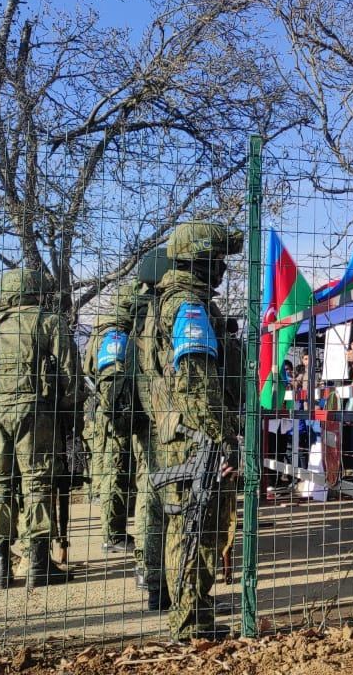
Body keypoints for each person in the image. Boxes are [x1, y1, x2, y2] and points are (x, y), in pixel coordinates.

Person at [141, 222, 243, 641]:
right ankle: (190, 624)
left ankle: (192, 612)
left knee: (189, 523)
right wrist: (220, 439)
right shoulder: (187, 306)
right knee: (196, 525)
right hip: (196, 436)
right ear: (200, 260)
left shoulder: (168, 301)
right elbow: (197, 384)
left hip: (181, 433)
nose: (222, 267)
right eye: (217, 259)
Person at [0, 268, 80, 589]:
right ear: (34, 291)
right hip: (34, 412)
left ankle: (2, 567)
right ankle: (39, 566)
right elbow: (70, 374)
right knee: (38, 483)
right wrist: (65, 410)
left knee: (0, 486)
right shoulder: (48, 321)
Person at [127, 246, 173, 610]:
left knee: (149, 495)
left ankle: (151, 577)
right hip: (170, 418)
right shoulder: (167, 310)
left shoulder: (128, 313)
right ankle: (169, 586)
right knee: (174, 502)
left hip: (144, 416)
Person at [81, 284, 141, 556]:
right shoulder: (116, 332)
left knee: (118, 471)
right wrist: (119, 416)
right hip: (113, 414)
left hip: (114, 412)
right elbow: (111, 379)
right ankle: (113, 535)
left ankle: (115, 530)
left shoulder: (110, 329)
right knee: (115, 472)